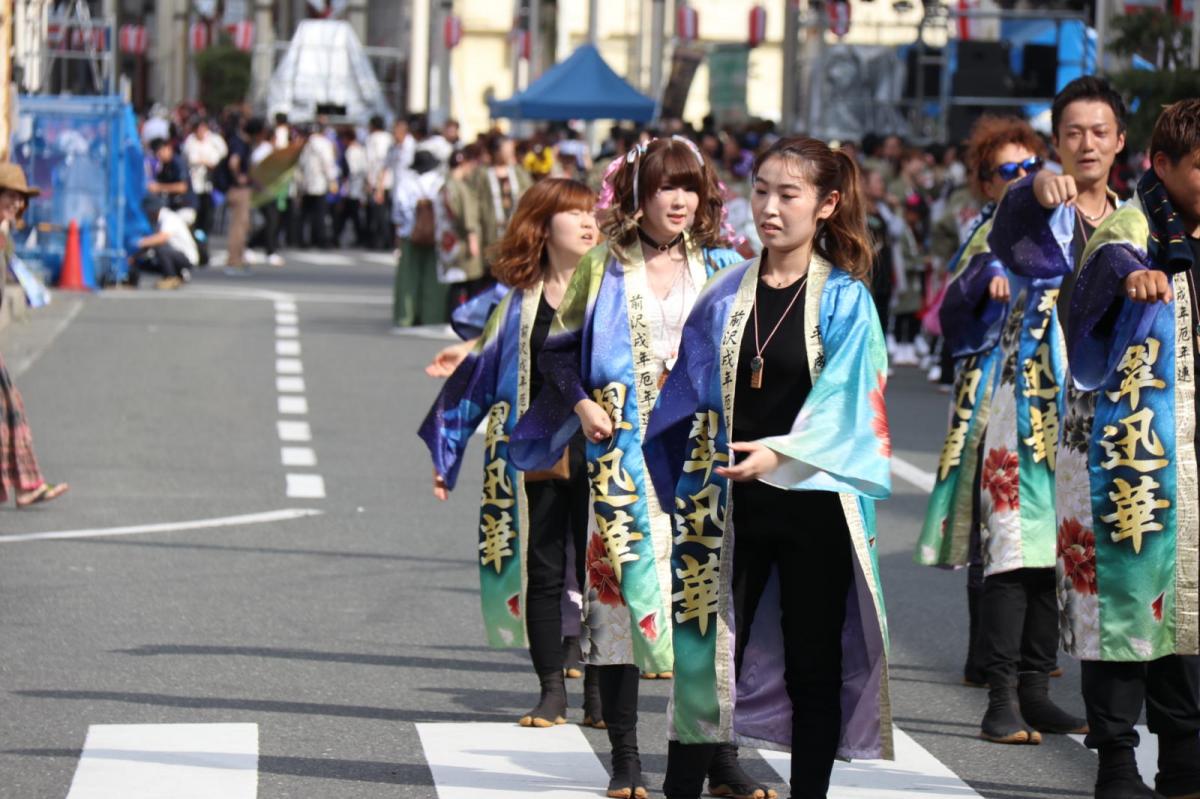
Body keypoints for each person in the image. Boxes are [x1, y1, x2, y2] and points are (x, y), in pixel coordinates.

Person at [642, 136, 892, 799]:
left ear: (827, 204)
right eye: (761, 191)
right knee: (702, 654)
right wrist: (673, 475)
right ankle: (681, 788)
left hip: (814, 506)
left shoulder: (845, 300)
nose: (770, 208)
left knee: (813, 662)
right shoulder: (725, 292)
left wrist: (780, 453)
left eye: (789, 194)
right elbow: (680, 398)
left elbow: (852, 403)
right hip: (725, 504)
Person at [509, 137, 751, 799]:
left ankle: (721, 757)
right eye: (665, 186)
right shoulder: (605, 267)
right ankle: (625, 757)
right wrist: (584, 404)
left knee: (708, 613)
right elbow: (558, 353)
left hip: (703, 467)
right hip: (622, 465)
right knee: (615, 609)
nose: (679, 200)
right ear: (637, 193)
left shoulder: (727, 266)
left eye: (690, 187)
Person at [419, 178, 604, 736]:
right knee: (542, 569)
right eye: (574, 214)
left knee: (605, 571)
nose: (589, 222)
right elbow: (477, 378)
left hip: (605, 450)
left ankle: (600, 688)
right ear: (543, 226)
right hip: (534, 451)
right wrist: (445, 454)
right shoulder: (517, 303)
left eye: (592, 212)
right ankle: (552, 688)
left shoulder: (614, 294)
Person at [979, 77, 1129, 747]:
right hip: (1031, 400)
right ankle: (1002, 696)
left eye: (1100, 131)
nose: (1087, 143)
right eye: (1074, 133)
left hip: (1100, 414)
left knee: (1070, 554)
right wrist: (1035, 187)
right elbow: (1011, 225)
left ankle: (1040, 689)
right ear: (1056, 143)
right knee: (1016, 548)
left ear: (1121, 141)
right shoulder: (1043, 201)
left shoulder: (1137, 221)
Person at [1062, 98, 1200, 799]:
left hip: (1192, 457)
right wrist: (1128, 286)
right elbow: (1088, 313)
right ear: (1164, 164)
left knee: (1187, 612)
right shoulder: (1130, 230)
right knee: (1124, 603)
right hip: (1128, 455)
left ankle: (1182, 760)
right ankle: (1115, 760)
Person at [916, 115, 1048, 691]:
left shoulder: (1063, 224)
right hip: (991, 396)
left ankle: (1034, 654)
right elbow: (952, 309)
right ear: (986, 183)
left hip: (1046, 397)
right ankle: (987, 655)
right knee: (990, 526)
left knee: (1042, 524)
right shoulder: (983, 234)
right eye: (1007, 171)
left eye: (1029, 167)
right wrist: (986, 279)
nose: (1021, 178)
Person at [0, 163, 68, 508]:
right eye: (11, 197)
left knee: (10, 406)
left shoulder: (2, 236)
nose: (16, 205)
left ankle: (28, 483)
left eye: (20, 199)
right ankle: (26, 483)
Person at [392, 150, 447, 328]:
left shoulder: (406, 183)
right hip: (435, 235)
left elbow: (398, 212)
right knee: (433, 278)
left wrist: (400, 234)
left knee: (408, 277)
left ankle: (406, 315)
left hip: (411, 234)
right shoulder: (440, 183)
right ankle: (432, 315)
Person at [474, 134, 533, 278]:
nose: (510, 152)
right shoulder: (482, 174)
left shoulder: (518, 172)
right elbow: (476, 200)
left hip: (514, 227)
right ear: (496, 151)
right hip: (491, 229)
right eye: (506, 148)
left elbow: (531, 192)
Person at [439, 145, 486, 309]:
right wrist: (473, 239)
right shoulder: (460, 187)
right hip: (462, 240)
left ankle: (452, 316)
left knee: (455, 281)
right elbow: (467, 218)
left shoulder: (445, 185)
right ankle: (463, 318)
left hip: (448, 239)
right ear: (464, 164)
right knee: (468, 281)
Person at [181, 118, 226, 265]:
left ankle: (203, 249)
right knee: (194, 220)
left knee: (206, 221)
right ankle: (195, 249)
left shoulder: (212, 141)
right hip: (194, 187)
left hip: (207, 187)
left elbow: (219, 155)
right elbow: (192, 158)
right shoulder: (190, 142)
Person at [132, 196, 199, 290]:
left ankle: (170, 277)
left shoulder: (169, 218)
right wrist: (134, 257)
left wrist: (139, 243)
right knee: (145, 262)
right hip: (174, 254)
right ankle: (179, 276)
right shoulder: (157, 221)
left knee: (161, 248)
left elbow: (162, 238)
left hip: (186, 257)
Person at [297, 125, 338, 249]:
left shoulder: (306, 144)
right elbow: (328, 162)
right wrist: (332, 180)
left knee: (306, 214)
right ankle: (320, 239)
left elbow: (300, 165)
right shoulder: (324, 144)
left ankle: (302, 239)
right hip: (320, 182)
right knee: (320, 213)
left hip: (307, 182)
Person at [223, 116, 254, 274]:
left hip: (236, 188)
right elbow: (233, 162)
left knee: (242, 225)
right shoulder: (240, 143)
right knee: (239, 226)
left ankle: (237, 259)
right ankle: (234, 260)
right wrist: (239, 177)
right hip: (238, 189)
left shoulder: (236, 140)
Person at [364, 115, 395, 250]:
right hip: (391, 179)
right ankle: (389, 240)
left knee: (378, 213)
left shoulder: (372, 139)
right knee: (389, 212)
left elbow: (371, 162)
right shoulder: (390, 138)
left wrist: (372, 182)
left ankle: (379, 240)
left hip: (378, 180)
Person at [334, 126, 368, 248]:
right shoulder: (361, 149)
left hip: (351, 188)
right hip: (357, 188)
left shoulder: (350, 152)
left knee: (350, 215)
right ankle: (340, 237)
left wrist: (344, 185)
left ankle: (339, 237)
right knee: (351, 215)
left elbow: (349, 171)